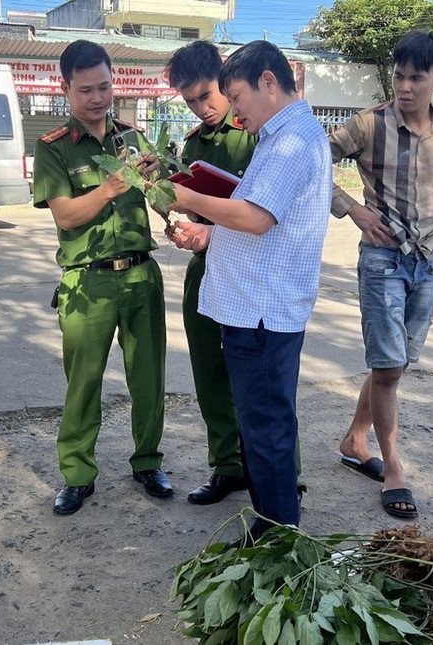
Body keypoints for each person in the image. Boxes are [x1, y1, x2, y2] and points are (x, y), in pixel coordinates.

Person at [168, 40, 331, 539]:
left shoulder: (290, 141)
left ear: (267, 81)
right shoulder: (277, 135)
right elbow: (264, 219)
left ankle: (278, 534)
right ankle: (273, 523)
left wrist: (188, 195)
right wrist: (212, 232)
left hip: (262, 311)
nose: (233, 109)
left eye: (236, 96)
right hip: (253, 305)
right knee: (262, 427)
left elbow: (257, 218)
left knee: (266, 430)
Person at [328, 31, 433, 519]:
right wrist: (353, 210)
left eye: (417, 77)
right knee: (388, 367)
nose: (405, 86)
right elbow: (309, 162)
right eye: (399, 75)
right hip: (381, 260)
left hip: (427, 261)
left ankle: (354, 438)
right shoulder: (369, 124)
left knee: (398, 362)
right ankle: (393, 469)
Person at [33, 40, 172, 516]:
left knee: (150, 377)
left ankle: (148, 461)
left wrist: (162, 185)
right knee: (84, 381)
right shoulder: (52, 148)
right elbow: (67, 215)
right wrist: (111, 185)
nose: (97, 98)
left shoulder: (134, 139)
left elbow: (160, 202)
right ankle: (77, 473)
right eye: (86, 90)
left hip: (141, 276)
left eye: (105, 87)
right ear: (66, 89)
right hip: (86, 282)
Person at [166, 40, 255, 505]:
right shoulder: (193, 146)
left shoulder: (256, 132)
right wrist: (180, 224)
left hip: (251, 274)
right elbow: (186, 210)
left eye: (206, 96)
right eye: (190, 102)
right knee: (209, 372)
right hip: (206, 269)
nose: (202, 108)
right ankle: (227, 467)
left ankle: (278, 474)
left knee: (258, 379)